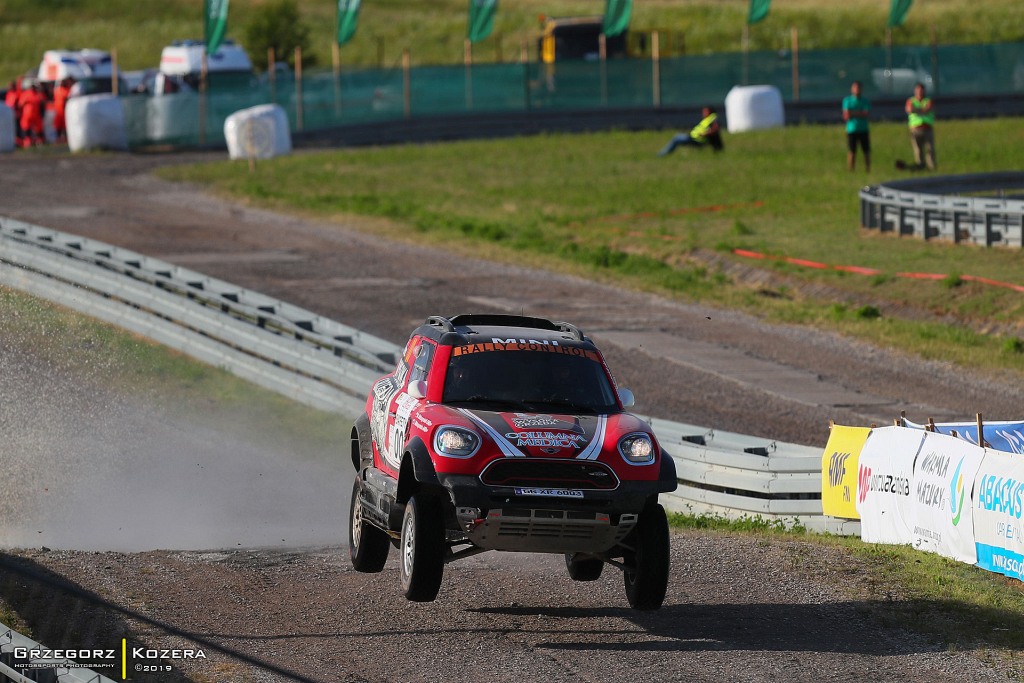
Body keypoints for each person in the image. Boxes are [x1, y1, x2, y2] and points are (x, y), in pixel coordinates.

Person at [657, 106, 723, 156]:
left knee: (677, 138)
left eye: (705, 111)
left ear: (710, 112)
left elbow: (716, 128)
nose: (703, 113)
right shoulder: (708, 119)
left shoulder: (712, 119)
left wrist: (705, 134)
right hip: (694, 138)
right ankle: (663, 154)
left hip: (697, 140)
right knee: (678, 137)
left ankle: (661, 155)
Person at [899, 82, 936, 171]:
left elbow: (928, 109)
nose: (920, 92)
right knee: (918, 150)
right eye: (918, 90)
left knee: (930, 149)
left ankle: (932, 167)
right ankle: (920, 166)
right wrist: (922, 110)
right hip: (915, 129)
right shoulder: (911, 101)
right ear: (915, 91)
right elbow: (909, 109)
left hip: (927, 128)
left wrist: (916, 110)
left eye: (921, 90)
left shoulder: (928, 100)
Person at [842, 80, 870, 171]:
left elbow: (865, 114)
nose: (857, 89)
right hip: (852, 129)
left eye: (858, 88)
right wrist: (859, 113)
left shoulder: (865, 101)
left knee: (866, 151)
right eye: (855, 88)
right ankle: (851, 170)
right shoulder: (847, 100)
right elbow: (847, 115)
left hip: (863, 129)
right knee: (852, 151)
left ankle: (868, 169)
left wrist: (853, 113)